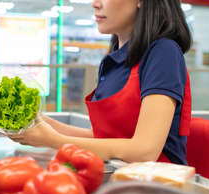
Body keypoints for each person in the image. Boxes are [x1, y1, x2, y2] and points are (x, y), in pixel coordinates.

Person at [10, 0, 192, 165]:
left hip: (157, 185)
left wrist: (53, 140)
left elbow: (145, 151)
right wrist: (43, 123)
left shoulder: (163, 52)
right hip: (118, 175)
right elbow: (104, 138)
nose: (95, 4)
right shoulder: (115, 58)